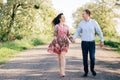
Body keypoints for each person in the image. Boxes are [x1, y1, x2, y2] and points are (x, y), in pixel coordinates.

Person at [73, 9, 104, 77]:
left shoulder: (94, 22)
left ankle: (92, 69)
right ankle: (86, 72)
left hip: (91, 43)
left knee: (92, 58)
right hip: (84, 43)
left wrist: (102, 40)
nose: (82, 15)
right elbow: (78, 32)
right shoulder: (81, 23)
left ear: (87, 14)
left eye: (83, 14)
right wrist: (73, 38)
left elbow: (99, 31)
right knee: (85, 58)